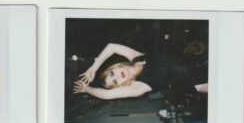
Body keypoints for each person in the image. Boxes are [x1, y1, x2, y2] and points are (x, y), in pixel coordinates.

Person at [73, 42, 208, 101]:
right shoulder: (138, 86)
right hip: (198, 81)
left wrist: (94, 67)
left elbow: (112, 46)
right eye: (115, 81)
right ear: (119, 85)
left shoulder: (135, 57)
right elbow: (107, 95)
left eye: (112, 74)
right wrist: (87, 89)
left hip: (196, 59)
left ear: (115, 67)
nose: (117, 77)